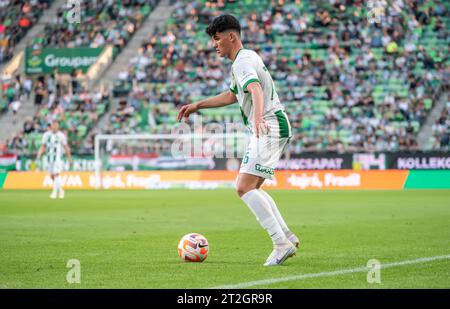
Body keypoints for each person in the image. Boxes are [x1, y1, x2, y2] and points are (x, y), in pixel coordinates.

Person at [177, 14, 299, 266]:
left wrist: (257, 119)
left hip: (269, 125)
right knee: (253, 187)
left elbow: (254, 89)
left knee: (242, 187)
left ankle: (280, 243)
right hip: (276, 124)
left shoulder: (242, 63)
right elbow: (234, 95)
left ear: (231, 37)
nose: (215, 45)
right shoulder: (247, 57)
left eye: (217, 39)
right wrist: (198, 105)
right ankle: (286, 235)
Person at [36, 121, 72, 199]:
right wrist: (39, 154)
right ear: (51, 126)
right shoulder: (46, 135)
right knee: (52, 176)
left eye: (56, 125)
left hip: (58, 158)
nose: (54, 127)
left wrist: (69, 158)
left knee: (56, 174)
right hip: (49, 158)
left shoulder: (61, 136)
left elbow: (66, 147)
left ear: (58, 126)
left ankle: (54, 192)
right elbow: (43, 146)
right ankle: (61, 190)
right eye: (53, 125)